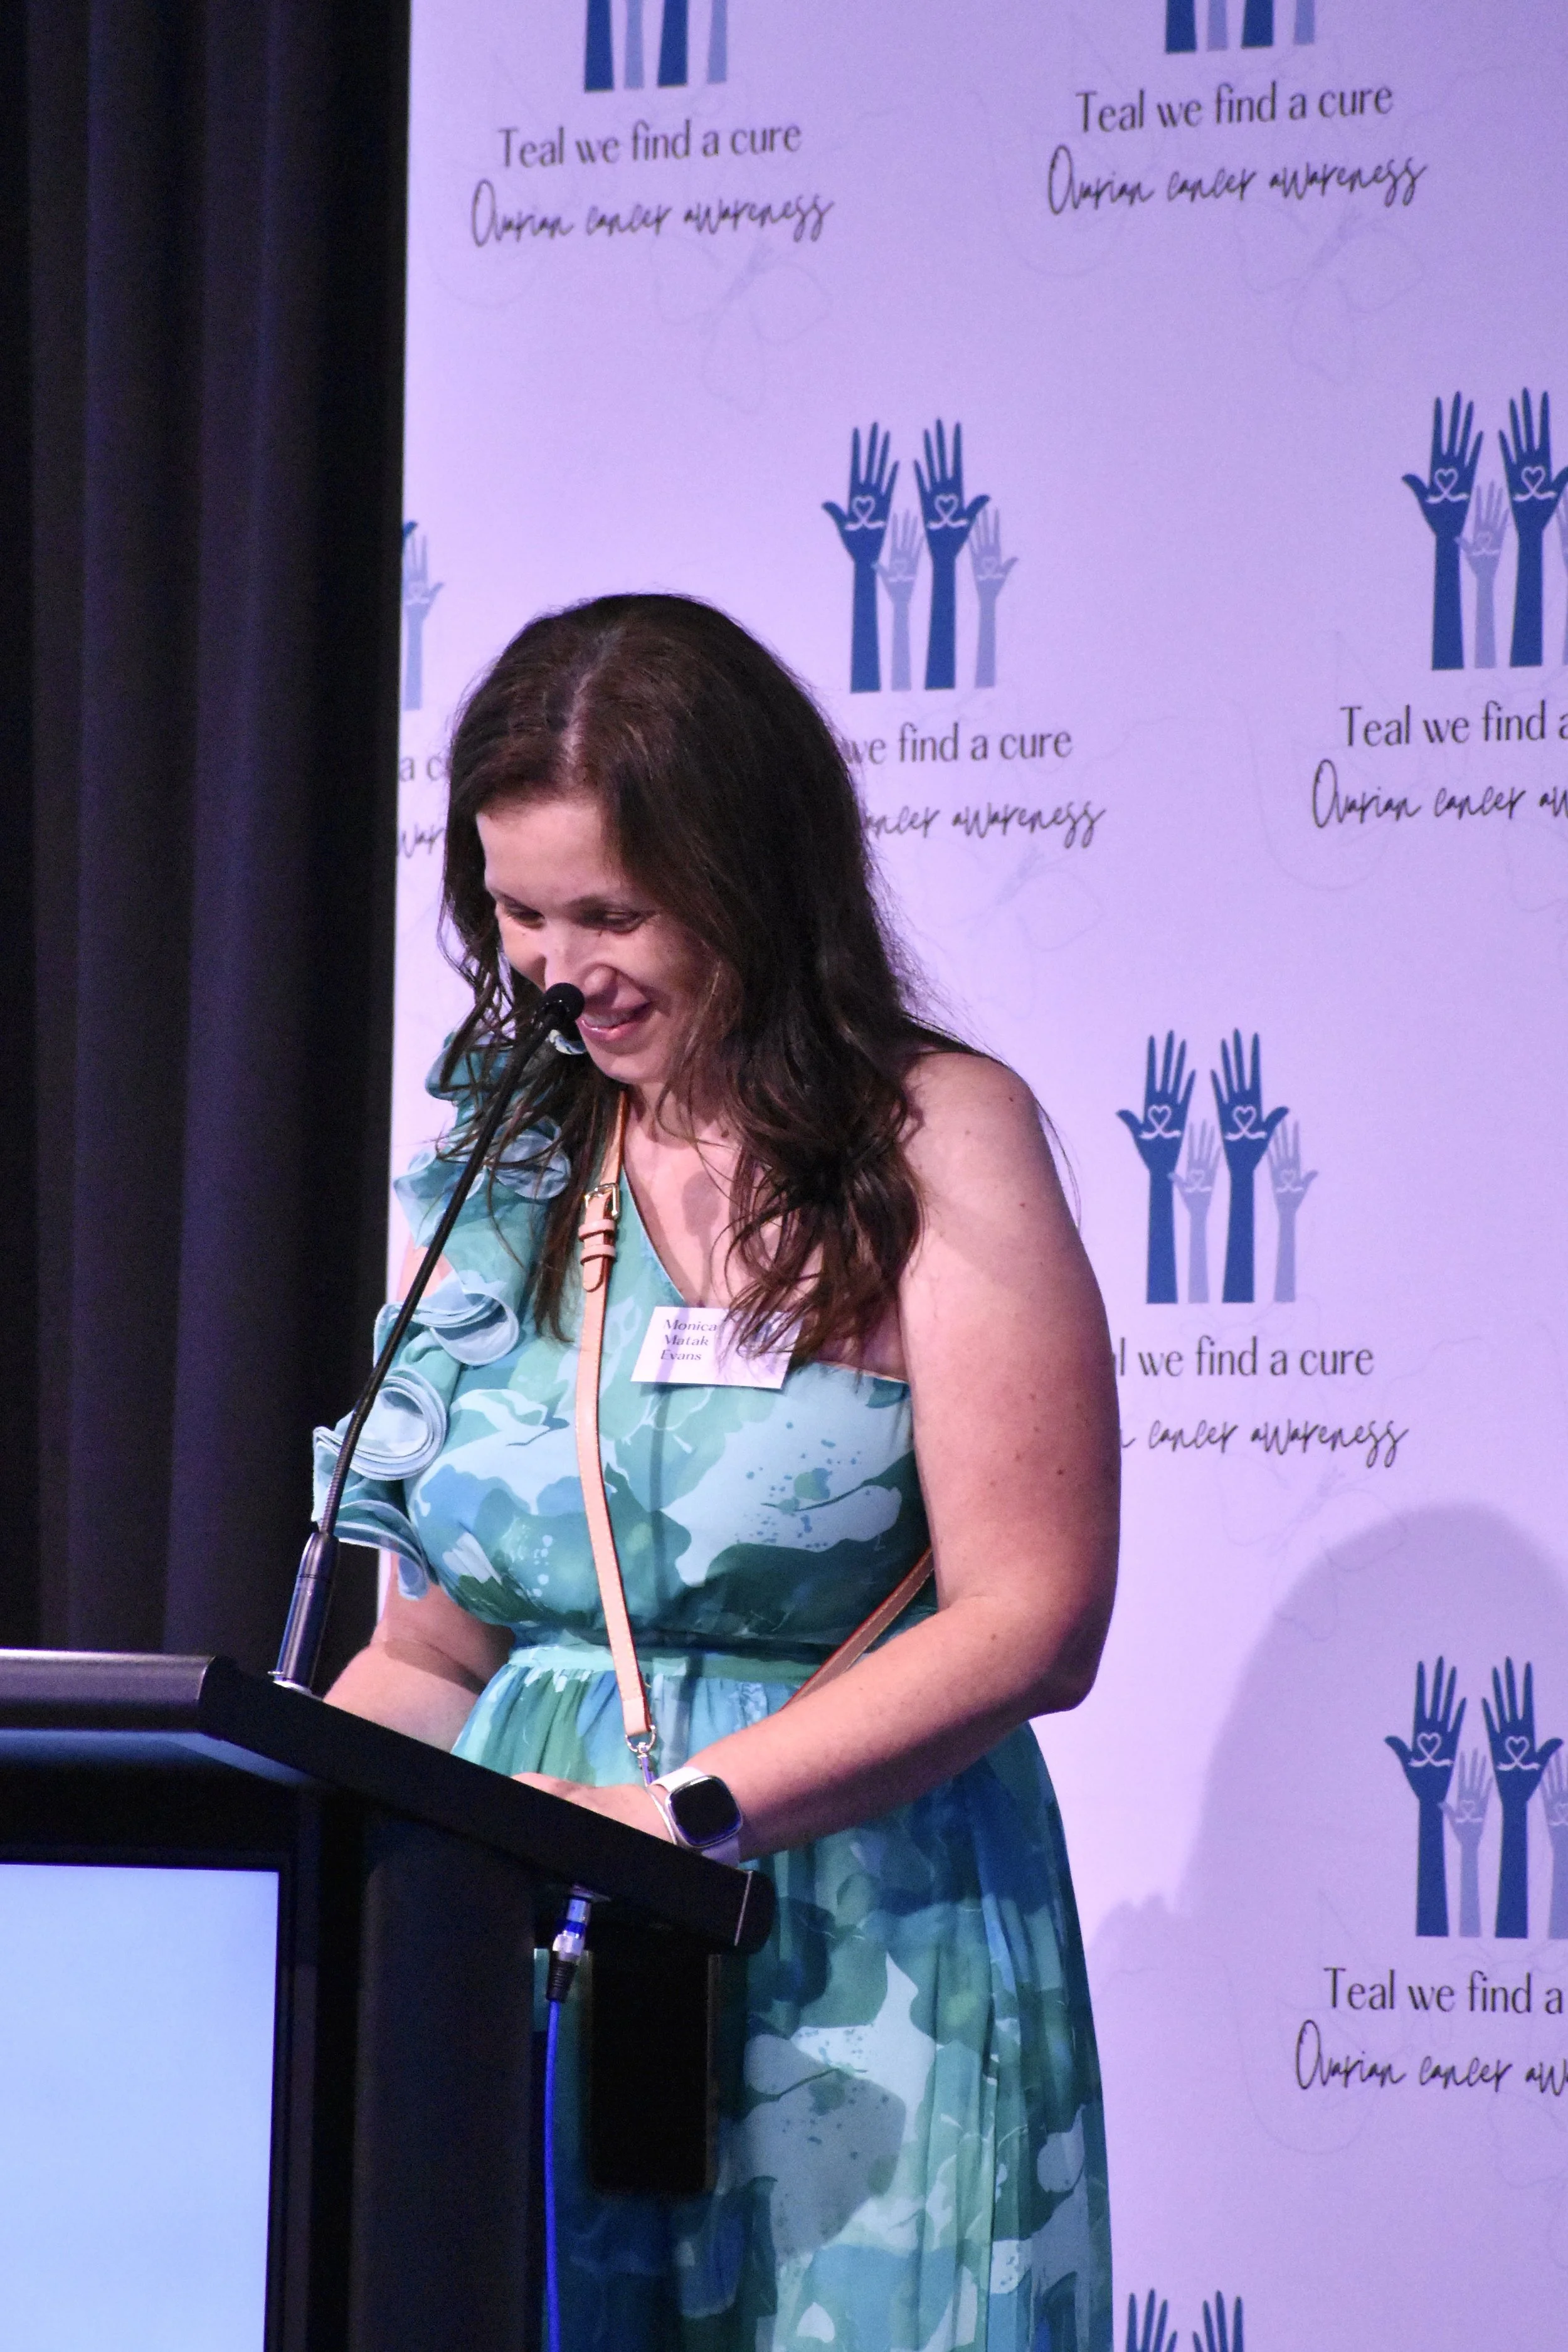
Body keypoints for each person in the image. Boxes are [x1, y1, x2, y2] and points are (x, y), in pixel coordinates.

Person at [322, 593, 1120, 2351]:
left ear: (750, 881)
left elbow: (1034, 1614)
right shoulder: (499, 1164)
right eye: (517, 912)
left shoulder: (930, 1135)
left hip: (852, 1940)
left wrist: (682, 1820)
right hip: (524, 1956)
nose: (556, 965)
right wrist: (306, 1862)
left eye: (610, 912)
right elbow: (434, 1649)